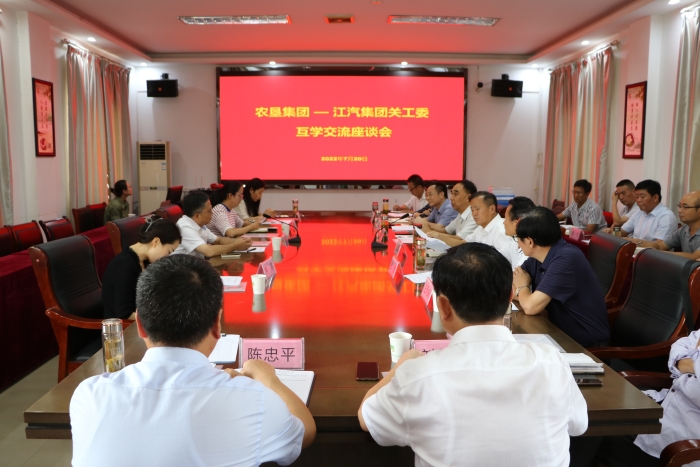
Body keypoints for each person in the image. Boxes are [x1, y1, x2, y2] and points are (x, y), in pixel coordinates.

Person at [70, 255, 316, 467]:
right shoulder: (253, 400)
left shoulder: (89, 396)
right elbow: (305, 431)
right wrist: (268, 379)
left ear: (140, 326)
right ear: (216, 325)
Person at [358, 242, 588, 467]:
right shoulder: (552, 363)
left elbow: (367, 418)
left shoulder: (418, 377)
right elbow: (579, 425)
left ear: (443, 307)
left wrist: (402, 366)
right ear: (509, 297)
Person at [595, 330, 700, 467]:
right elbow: (679, 345)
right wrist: (692, 365)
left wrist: (691, 362)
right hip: (666, 401)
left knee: (595, 428)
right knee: (595, 408)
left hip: (684, 437)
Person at [513, 207, 610, 347]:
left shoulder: (566, 259)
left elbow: (530, 307)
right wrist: (524, 294)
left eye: (517, 238)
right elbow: (511, 285)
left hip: (584, 344)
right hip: (556, 331)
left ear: (530, 242)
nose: (517, 243)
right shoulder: (538, 256)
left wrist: (522, 287)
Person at [101, 218, 181, 320]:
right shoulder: (124, 265)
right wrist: (160, 318)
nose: (167, 256)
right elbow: (124, 314)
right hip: (124, 326)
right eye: (169, 251)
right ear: (156, 241)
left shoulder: (145, 261)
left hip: (141, 320)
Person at [173, 191, 252, 259]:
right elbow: (208, 251)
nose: (212, 213)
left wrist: (240, 241)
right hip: (181, 268)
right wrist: (235, 246)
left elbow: (218, 240)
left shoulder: (200, 224)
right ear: (197, 216)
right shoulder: (184, 227)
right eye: (209, 211)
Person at [641, 191, 700, 260]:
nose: (679, 210)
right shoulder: (684, 229)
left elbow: (695, 256)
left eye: (685, 207)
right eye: (679, 206)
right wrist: (635, 243)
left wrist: (658, 253)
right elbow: (660, 246)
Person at [419, 180, 477, 246]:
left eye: (455, 194)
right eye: (452, 193)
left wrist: (433, 233)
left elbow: (460, 239)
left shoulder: (474, 215)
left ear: (468, 197)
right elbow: (446, 230)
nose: (451, 198)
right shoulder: (460, 213)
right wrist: (427, 225)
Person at [492, 196, 536, 269]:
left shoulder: (530, 254)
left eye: (506, 218)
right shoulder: (515, 243)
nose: (504, 222)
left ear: (516, 223)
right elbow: (496, 258)